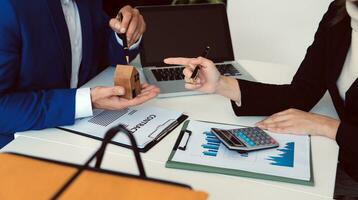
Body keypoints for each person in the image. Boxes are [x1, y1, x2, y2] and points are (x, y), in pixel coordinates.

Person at [165, 0, 358, 198]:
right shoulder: (339, 14)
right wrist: (220, 84)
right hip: (339, 160)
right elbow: (301, 93)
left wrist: (329, 127)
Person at [0, 0, 160, 148]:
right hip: (21, 145)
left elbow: (106, 53)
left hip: (80, 133)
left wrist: (125, 33)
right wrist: (86, 101)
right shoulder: (7, 8)